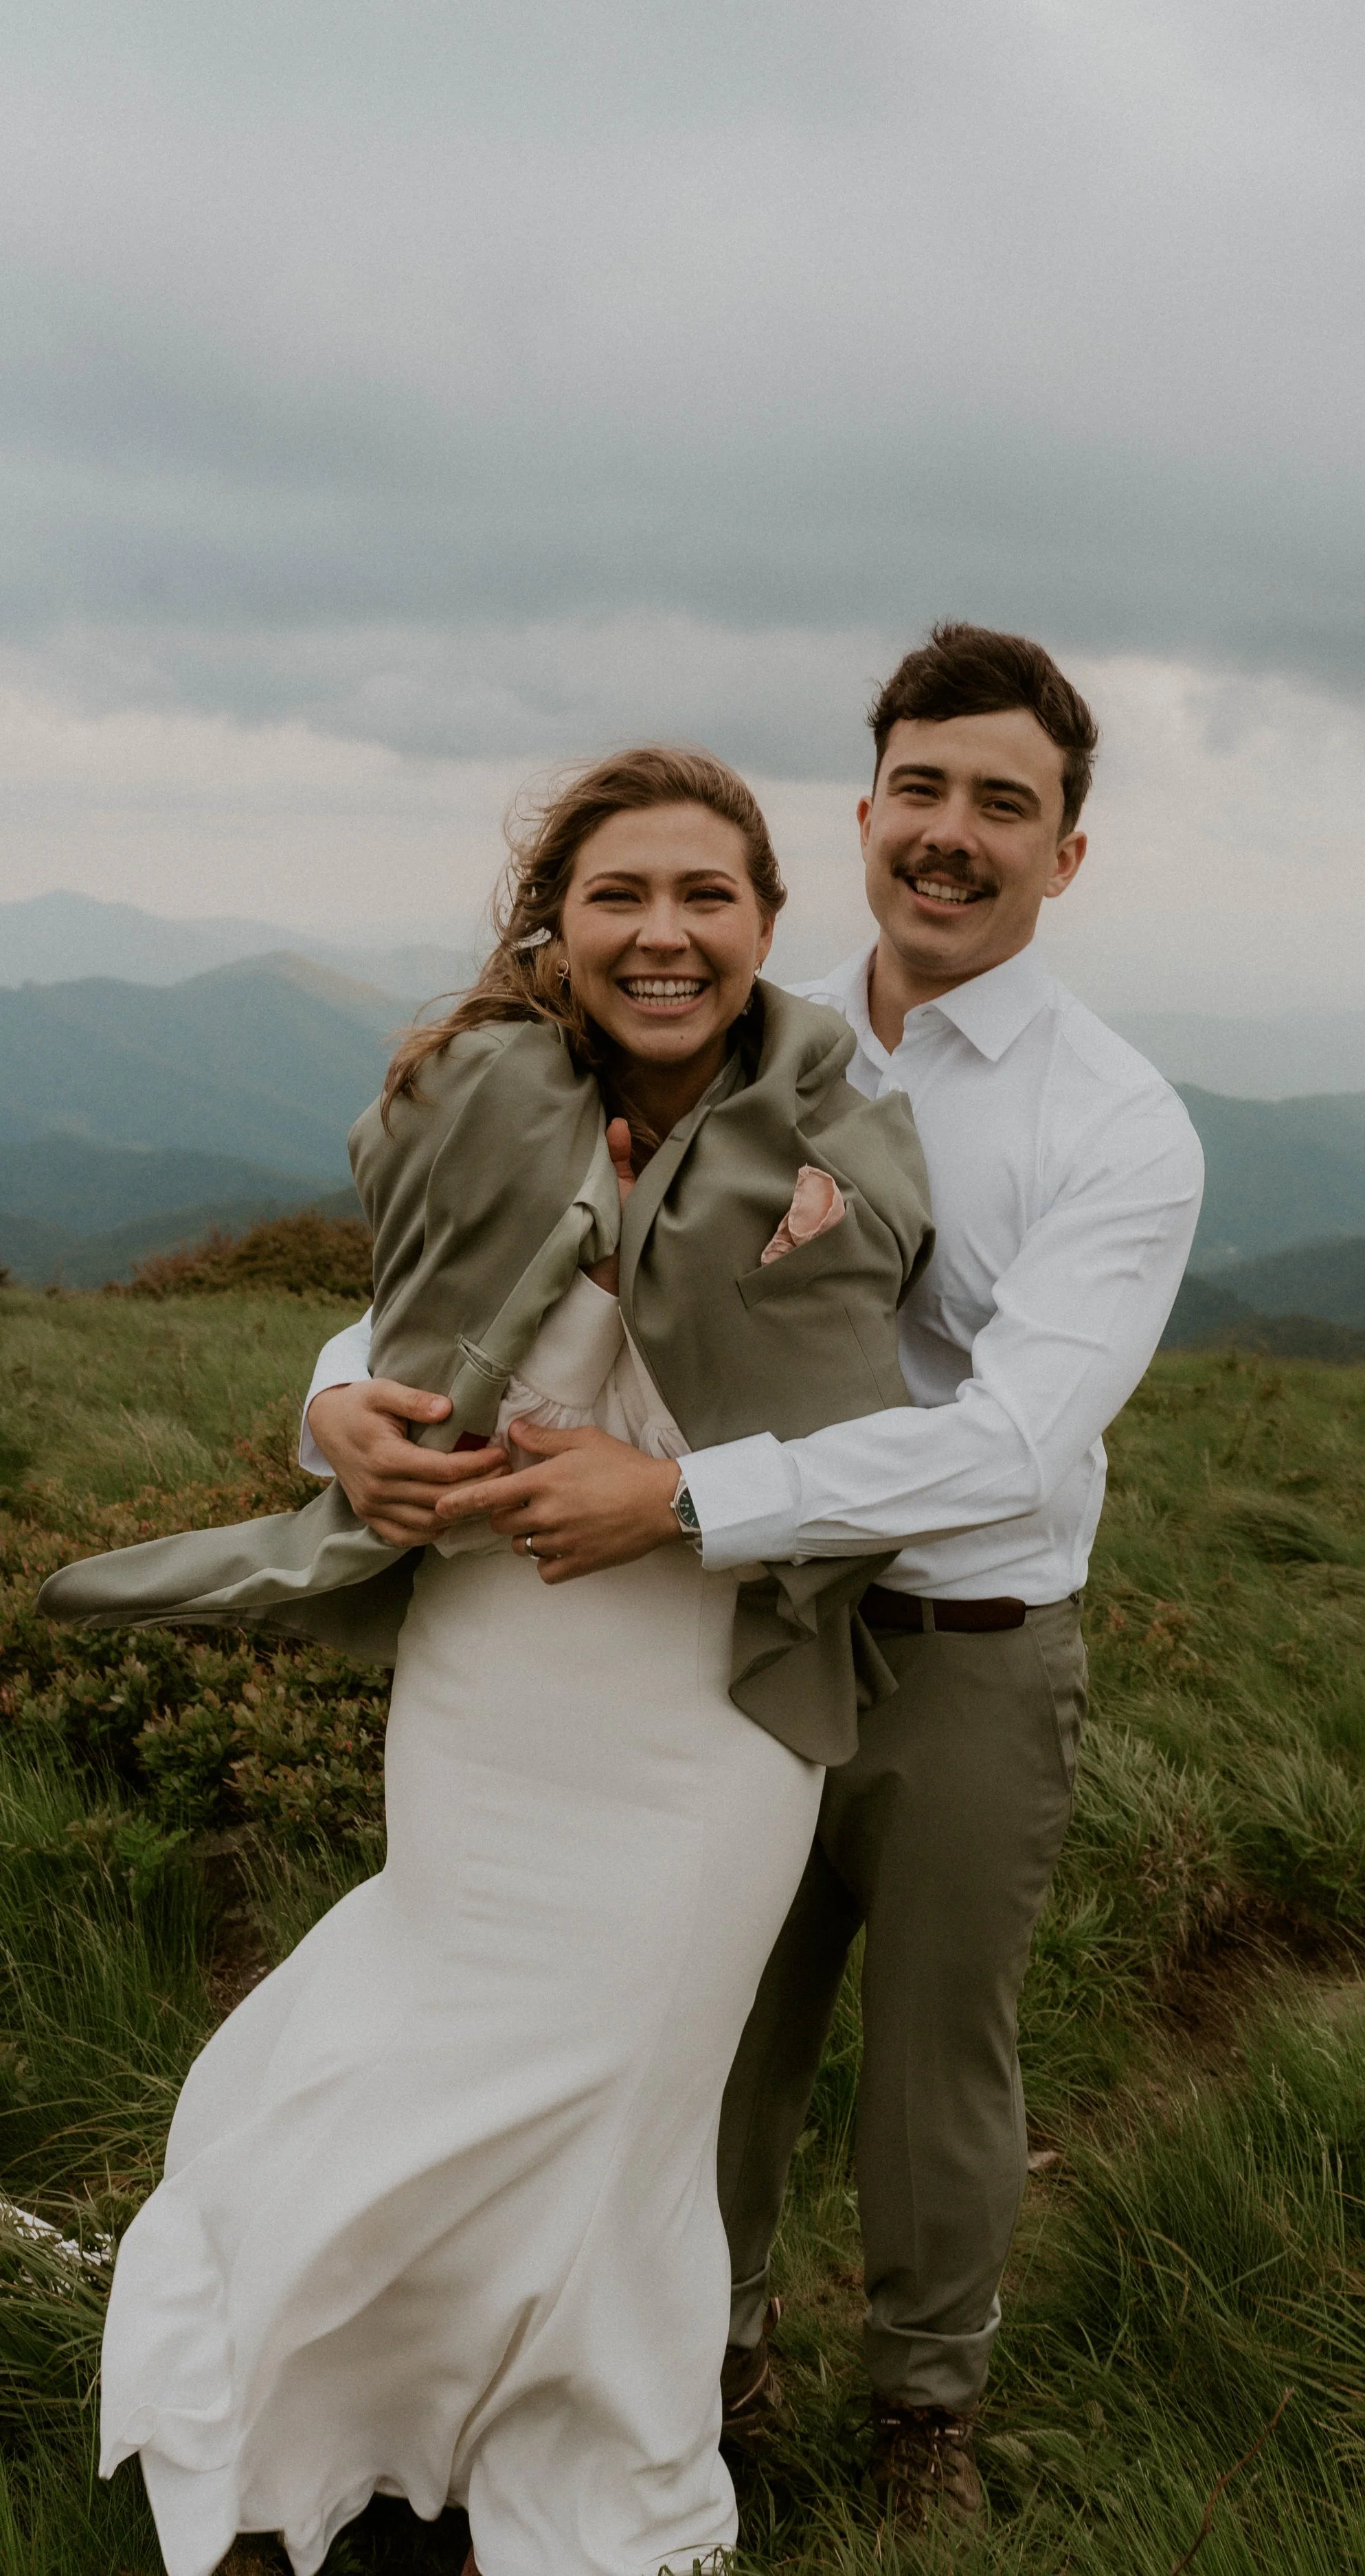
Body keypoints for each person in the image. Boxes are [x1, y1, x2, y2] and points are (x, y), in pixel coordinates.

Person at [302, 625, 1205, 2531]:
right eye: (922, 789)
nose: (953, 833)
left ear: (1068, 850)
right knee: (694, 2023)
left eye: (1005, 804)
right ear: (865, 808)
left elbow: (1008, 1441)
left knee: (932, 2057)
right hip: (705, 1645)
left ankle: (920, 2415)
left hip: (954, 1644)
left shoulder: (1115, 1121)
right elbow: (474, 1278)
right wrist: (334, 1406)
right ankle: (690, 2364)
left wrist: (690, 1493)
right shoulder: (719, 1016)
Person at [39, 747, 934, 2576]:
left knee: (621, 2087)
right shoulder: (485, 1106)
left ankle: (592, 2459)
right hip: (496, 1675)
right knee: (450, 2025)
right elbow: (393, 1321)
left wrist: (675, 1495)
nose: (663, 932)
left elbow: (899, 1433)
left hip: (710, 1699)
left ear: (769, 922)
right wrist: (333, 1416)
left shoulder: (846, 1132)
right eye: (619, 895)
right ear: (557, 925)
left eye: (705, 895)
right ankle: (343, 2393)